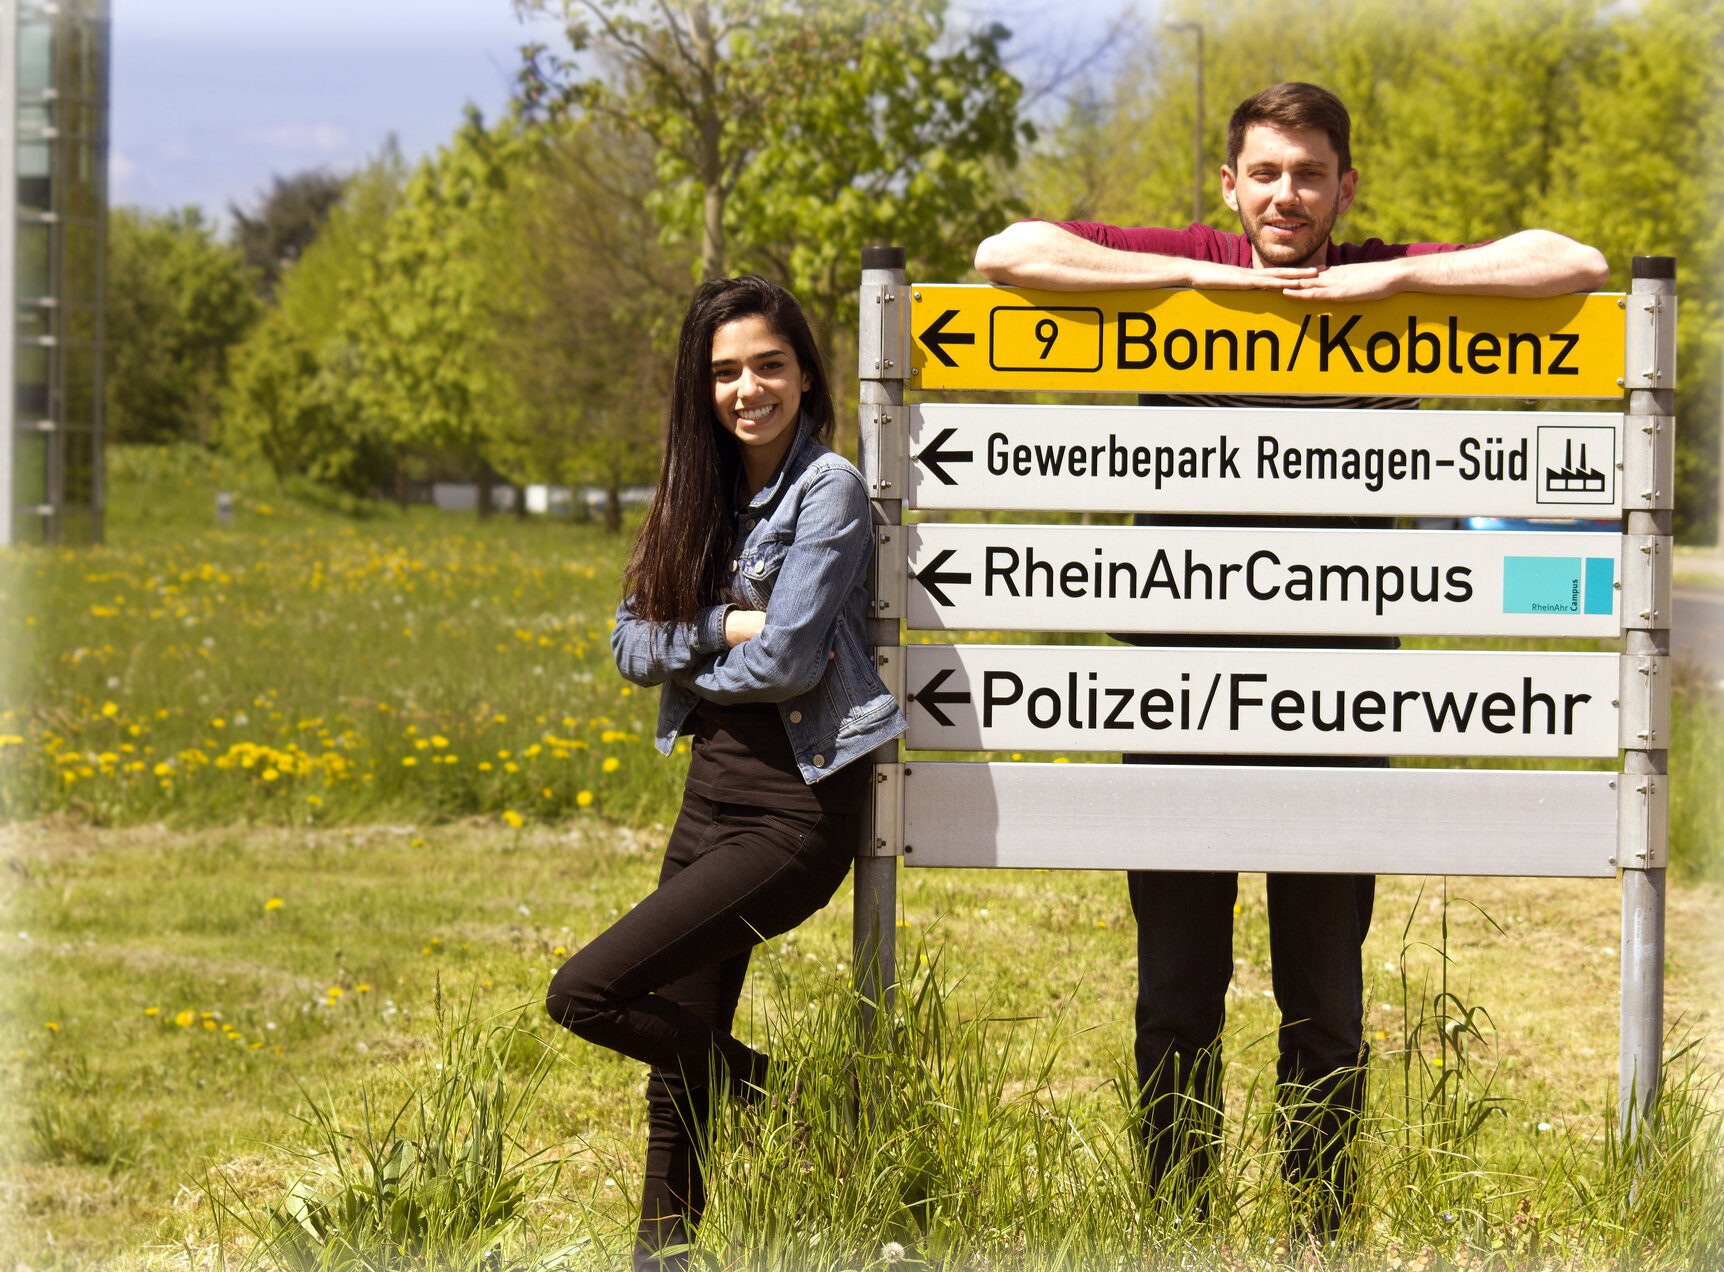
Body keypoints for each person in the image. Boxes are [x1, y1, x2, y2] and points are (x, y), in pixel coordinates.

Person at [974, 82, 1608, 1237]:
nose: (1284, 194)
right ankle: (1173, 1222)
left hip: (1339, 697)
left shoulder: (1379, 277)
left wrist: (1394, 279)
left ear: (1342, 187)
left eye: (1308, 173)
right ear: (1229, 184)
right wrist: (1202, 284)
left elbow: (1571, 262)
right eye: (1263, 172)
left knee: (1324, 995)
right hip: (1168, 697)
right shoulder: (1194, 261)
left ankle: (1321, 1227)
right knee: (1175, 992)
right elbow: (1007, 252)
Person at [545, 275, 907, 1272]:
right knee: (675, 1053)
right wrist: (718, 625)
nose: (747, 387)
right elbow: (624, 643)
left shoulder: (825, 487)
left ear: (803, 374)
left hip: (793, 810)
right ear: (698, 386)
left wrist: (696, 655)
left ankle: (762, 1088)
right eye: (724, 371)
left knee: (585, 992)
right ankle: (663, 1256)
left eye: (767, 366)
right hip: (708, 796)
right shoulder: (689, 492)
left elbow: (787, 661)